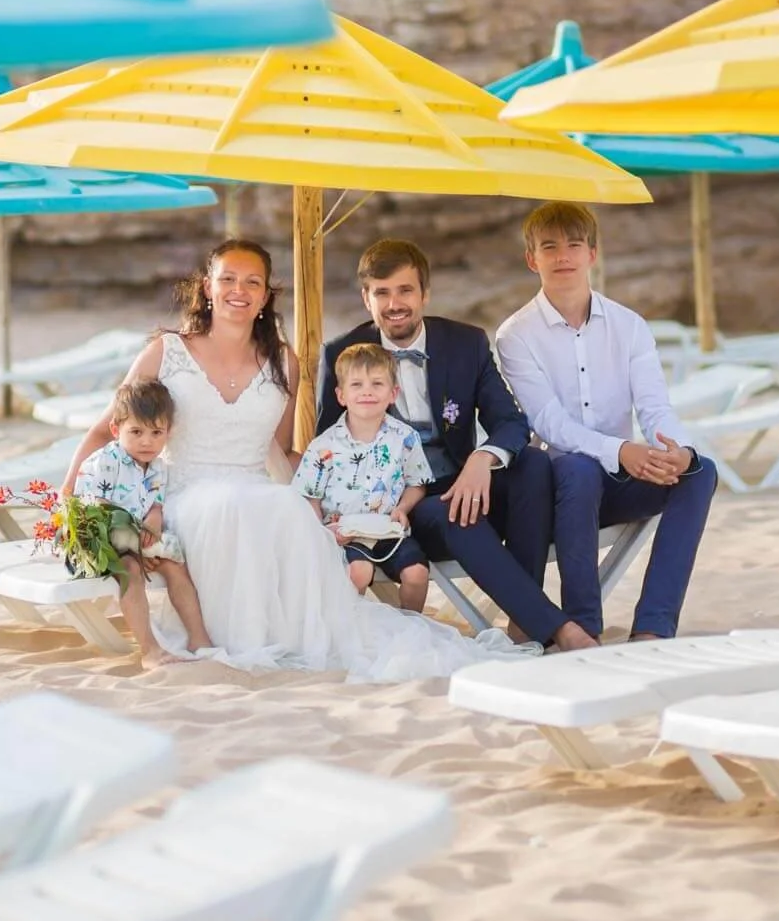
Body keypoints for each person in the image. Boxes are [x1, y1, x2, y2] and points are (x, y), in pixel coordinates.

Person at [63, 239, 523, 681]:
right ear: (208, 286)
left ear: (266, 294)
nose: (238, 291)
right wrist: (68, 498)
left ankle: (295, 631)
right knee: (233, 506)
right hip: (187, 494)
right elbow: (110, 428)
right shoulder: (166, 351)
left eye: (252, 282)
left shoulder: (284, 360)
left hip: (259, 489)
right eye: (228, 279)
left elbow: (283, 452)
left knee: (287, 509)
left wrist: (352, 488)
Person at [319, 239, 597, 652]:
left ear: (424, 294)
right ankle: (557, 628)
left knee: (534, 466)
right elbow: (327, 442)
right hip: (402, 507)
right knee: (454, 513)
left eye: (405, 290)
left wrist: (482, 459)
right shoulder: (342, 354)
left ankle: (523, 621)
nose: (395, 303)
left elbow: (510, 422)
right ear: (366, 299)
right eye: (382, 293)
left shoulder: (466, 344)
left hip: (463, 479)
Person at [495, 202, 717, 645]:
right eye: (549, 247)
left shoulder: (629, 326)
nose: (563, 257)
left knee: (701, 471)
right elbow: (549, 423)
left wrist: (678, 451)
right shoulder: (515, 335)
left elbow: (654, 406)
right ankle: (584, 628)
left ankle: (653, 628)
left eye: (574, 245)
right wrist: (620, 450)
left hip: (623, 480)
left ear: (592, 254)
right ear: (531, 258)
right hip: (561, 489)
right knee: (578, 466)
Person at [71, 378, 212, 670]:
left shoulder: (159, 467)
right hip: (103, 541)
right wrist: (132, 545)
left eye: (156, 432)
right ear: (116, 429)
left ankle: (199, 639)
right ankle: (150, 649)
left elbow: (155, 502)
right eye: (136, 432)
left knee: (175, 566)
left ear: (168, 433)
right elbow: (91, 508)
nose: (147, 441)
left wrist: (155, 515)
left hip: (141, 540)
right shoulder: (103, 463)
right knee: (131, 570)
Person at [294, 343, 434, 610]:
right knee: (357, 572)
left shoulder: (405, 437)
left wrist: (403, 509)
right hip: (344, 534)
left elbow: (417, 483)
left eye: (377, 384)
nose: (367, 391)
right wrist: (323, 534)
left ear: (393, 393)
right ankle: (349, 630)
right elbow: (309, 495)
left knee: (417, 574)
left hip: (387, 531)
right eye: (356, 385)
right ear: (341, 395)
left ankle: (411, 632)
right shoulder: (324, 446)